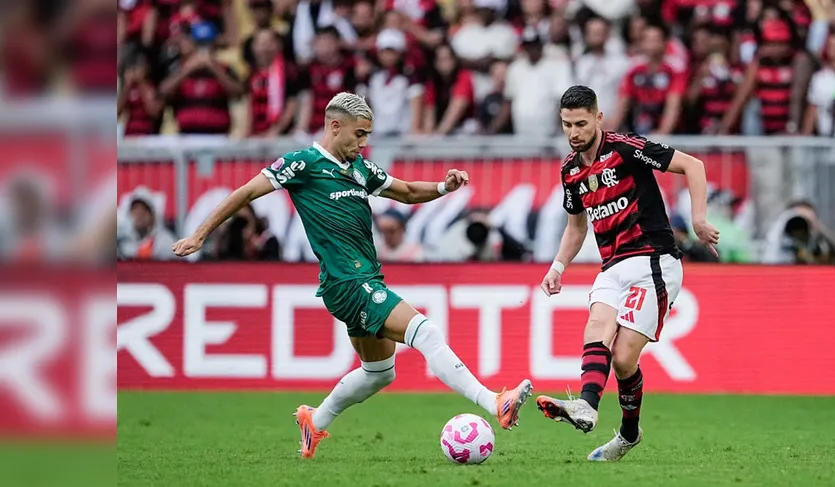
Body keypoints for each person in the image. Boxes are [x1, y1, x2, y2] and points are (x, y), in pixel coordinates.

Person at [171, 92, 533, 459]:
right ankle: (494, 401)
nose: (364, 142)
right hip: (347, 282)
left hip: (366, 279)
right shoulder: (304, 164)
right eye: (359, 134)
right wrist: (200, 234)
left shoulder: (359, 168)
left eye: (368, 135)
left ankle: (314, 421)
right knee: (427, 332)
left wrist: (444, 187)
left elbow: (405, 191)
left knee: (379, 372)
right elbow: (247, 191)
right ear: (335, 126)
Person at [535, 85, 718, 462]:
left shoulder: (625, 148)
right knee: (596, 326)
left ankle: (628, 434)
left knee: (622, 359)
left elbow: (693, 166)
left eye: (581, 124)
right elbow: (576, 227)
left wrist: (698, 219)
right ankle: (586, 405)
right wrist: (557, 266)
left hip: (653, 261)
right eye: (567, 124)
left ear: (598, 118)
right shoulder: (570, 170)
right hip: (612, 266)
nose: (573, 132)